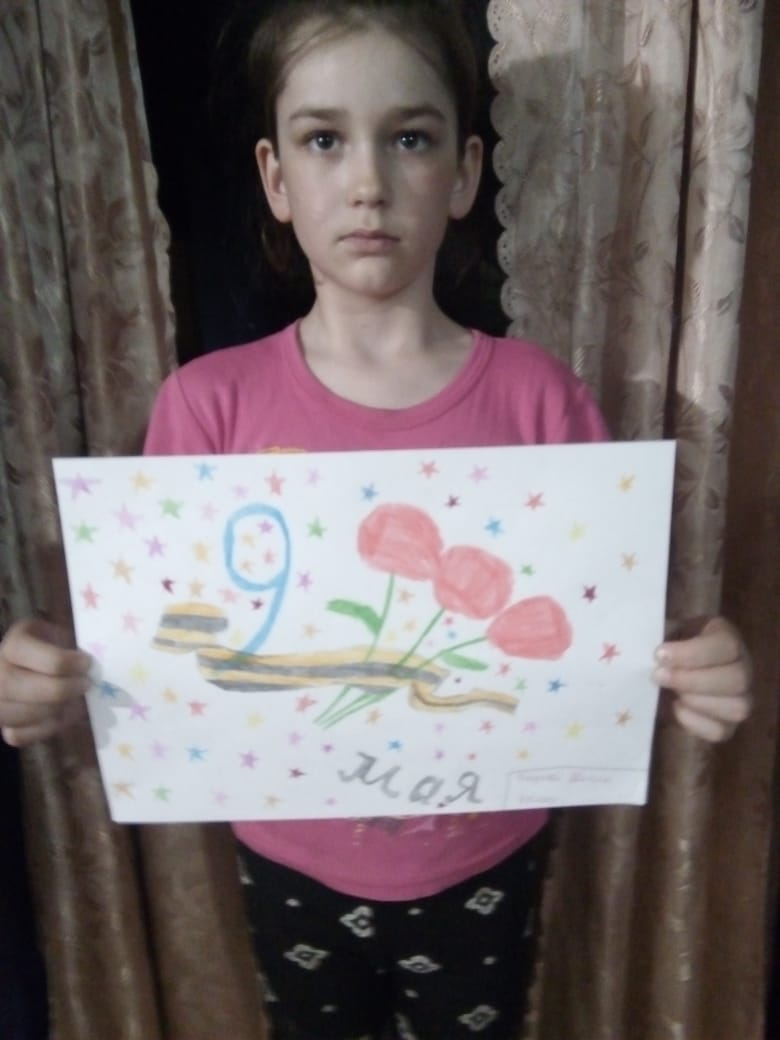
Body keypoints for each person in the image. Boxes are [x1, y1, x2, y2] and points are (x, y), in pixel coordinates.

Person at [0, 3, 752, 1038]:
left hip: (485, 856)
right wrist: (55, 669)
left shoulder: (540, 400)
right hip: (289, 858)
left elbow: (600, 637)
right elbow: (161, 638)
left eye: (409, 138)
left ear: (466, 171)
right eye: (324, 139)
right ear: (275, 178)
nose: (368, 182)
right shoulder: (208, 407)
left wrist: (690, 662)